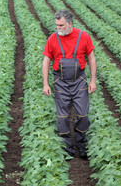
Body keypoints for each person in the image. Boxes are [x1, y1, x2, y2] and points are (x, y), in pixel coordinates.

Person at [42, 9, 96, 159]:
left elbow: (91, 58)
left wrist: (92, 80)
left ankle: (81, 142)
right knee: (62, 116)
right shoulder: (53, 38)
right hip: (61, 82)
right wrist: (45, 83)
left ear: (70, 23)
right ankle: (67, 147)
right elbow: (46, 61)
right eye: (56, 25)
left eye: (61, 25)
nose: (58, 28)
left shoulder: (83, 36)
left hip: (79, 81)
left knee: (83, 115)